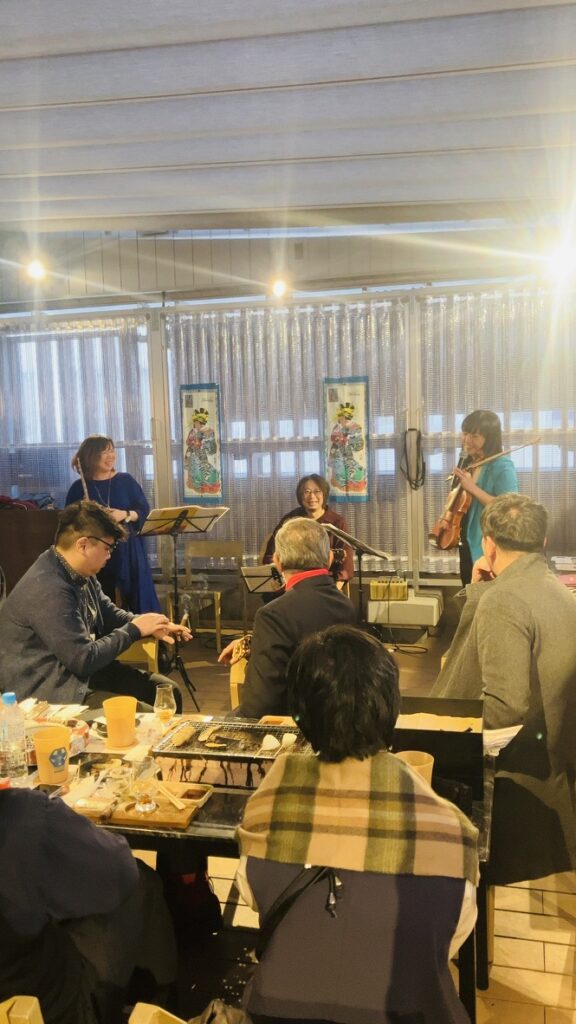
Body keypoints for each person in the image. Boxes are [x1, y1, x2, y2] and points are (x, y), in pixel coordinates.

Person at [236, 625, 478, 1024]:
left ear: (299, 715)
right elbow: (446, 944)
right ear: (392, 707)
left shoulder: (262, 816)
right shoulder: (452, 836)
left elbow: (254, 898)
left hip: (278, 1013)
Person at [430, 493, 576, 884]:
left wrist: (446, 741)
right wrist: (480, 591)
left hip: (516, 784)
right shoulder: (557, 588)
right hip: (555, 769)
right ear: (543, 541)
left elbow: (505, 707)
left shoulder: (504, 599)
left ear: (489, 544)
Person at [0, 785, 177, 1024]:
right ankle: (158, 1005)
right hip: (50, 1010)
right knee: (143, 882)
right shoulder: (21, 816)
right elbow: (120, 871)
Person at [0, 501, 190, 708]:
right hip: (48, 690)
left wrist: (151, 624)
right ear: (83, 545)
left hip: (75, 675)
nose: (109, 556)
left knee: (168, 692)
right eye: (107, 548)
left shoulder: (79, 571)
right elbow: (83, 660)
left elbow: (108, 615)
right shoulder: (48, 587)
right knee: (143, 713)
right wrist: (135, 630)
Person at [220, 518, 356, 718]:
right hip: (340, 715)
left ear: (277, 561)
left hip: (296, 723)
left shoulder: (272, 615)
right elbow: (309, 639)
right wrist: (253, 642)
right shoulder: (346, 606)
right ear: (329, 559)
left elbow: (259, 705)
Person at [66, 434, 161, 613]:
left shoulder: (126, 481)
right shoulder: (78, 488)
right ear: (91, 456)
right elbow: (69, 524)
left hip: (128, 551)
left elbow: (144, 511)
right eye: (105, 452)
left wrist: (124, 514)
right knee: (105, 603)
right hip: (96, 553)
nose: (111, 456)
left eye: (112, 451)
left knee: (137, 601)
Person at [451, 409, 518, 583]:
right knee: (468, 589)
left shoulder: (503, 466)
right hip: (466, 540)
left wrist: (472, 488)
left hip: (488, 545)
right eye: (465, 434)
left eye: (474, 436)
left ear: (490, 438)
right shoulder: (470, 462)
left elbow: (509, 508)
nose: (467, 440)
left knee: (484, 593)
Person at [262, 474, 354, 586]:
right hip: (292, 580)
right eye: (307, 492)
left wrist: (336, 589)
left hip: (325, 581)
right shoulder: (290, 520)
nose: (312, 496)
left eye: (317, 491)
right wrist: (283, 581)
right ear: (300, 496)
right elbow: (271, 554)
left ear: (324, 494)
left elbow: (346, 561)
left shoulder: (337, 522)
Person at [328, 401, 367, 493]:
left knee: (353, 468)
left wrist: (350, 439)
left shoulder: (354, 428)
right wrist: (341, 439)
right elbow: (334, 437)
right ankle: (340, 481)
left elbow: (358, 444)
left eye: (347, 418)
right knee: (339, 468)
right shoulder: (337, 427)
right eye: (343, 418)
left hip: (348, 454)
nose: (345, 420)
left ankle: (353, 481)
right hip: (338, 453)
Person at [184, 406, 221, 495]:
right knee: (194, 471)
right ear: (195, 422)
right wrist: (194, 442)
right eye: (197, 423)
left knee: (205, 470)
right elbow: (188, 442)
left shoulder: (206, 431)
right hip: (192, 455)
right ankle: (195, 484)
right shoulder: (192, 431)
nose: (199, 425)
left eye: (201, 423)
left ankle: (206, 486)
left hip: (201, 456)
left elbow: (211, 449)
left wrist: (205, 440)